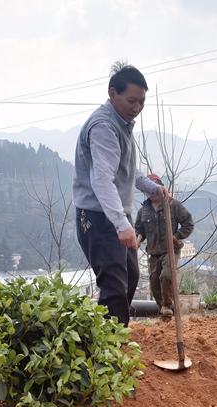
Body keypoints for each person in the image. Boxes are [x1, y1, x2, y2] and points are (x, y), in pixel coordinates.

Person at [73, 64, 170, 325]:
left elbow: (126, 171)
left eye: (142, 102)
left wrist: (153, 188)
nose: (137, 107)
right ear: (112, 93)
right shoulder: (104, 127)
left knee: (130, 276)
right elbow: (102, 179)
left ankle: (109, 336)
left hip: (115, 216)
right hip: (97, 217)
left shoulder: (122, 124)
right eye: (131, 100)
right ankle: (107, 351)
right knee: (114, 288)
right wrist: (121, 224)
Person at [134, 174, 194, 318]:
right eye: (149, 191)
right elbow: (139, 229)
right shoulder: (143, 210)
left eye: (154, 190)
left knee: (166, 276)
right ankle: (164, 309)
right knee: (154, 282)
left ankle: (167, 305)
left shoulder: (173, 205)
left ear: (161, 188)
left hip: (170, 250)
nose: (152, 194)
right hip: (154, 252)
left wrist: (176, 236)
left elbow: (188, 223)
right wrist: (137, 240)